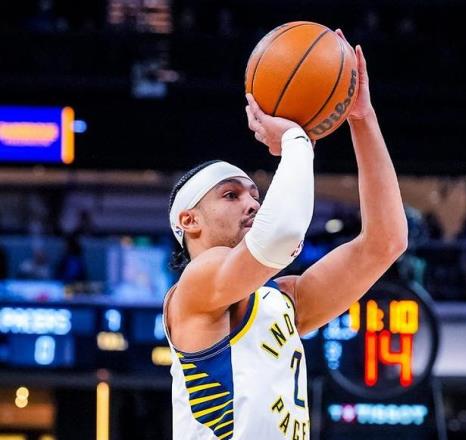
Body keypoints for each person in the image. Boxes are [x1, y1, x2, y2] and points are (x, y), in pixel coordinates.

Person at [163, 29, 407, 440]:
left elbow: (387, 242)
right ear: (190, 221)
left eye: (255, 195)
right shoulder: (196, 287)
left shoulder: (282, 300)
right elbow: (279, 237)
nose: (252, 204)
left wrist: (362, 118)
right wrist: (296, 139)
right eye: (231, 195)